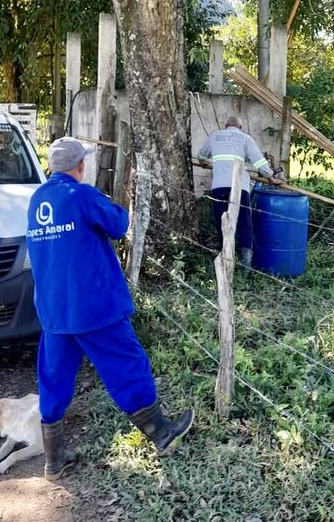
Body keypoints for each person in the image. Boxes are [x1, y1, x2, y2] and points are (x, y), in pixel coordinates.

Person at [26, 136, 194, 480]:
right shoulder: (82, 195)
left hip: (55, 311)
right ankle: (161, 433)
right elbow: (119, 225)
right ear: (80, 166)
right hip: (93, 306)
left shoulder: (37, 199)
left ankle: (54, 460)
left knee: (53, 379)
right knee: (126, 365)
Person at [197, 115, 281, 269]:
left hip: (219, 187)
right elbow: (259, 162)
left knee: (222, 223)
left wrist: (204, 162)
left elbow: (201, 156)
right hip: (240, 188)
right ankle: (246, 265)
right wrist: (270, 177)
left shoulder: (215, 137)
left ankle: (224, 259)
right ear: (240, 128)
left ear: (225, 125)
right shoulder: (245, 138)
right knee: (244, 224)